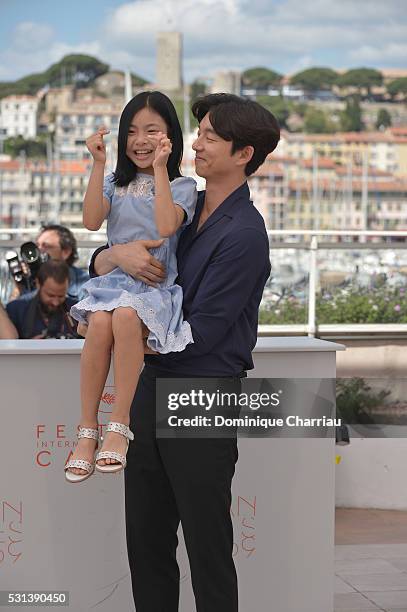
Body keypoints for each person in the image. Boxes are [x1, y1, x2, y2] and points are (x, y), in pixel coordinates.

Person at [90, 93, 280, 611]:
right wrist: (112, 256)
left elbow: (206, 329)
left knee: (206, 544)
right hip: (150, 385)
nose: (196, 142)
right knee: (146, 541)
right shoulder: (183, 204)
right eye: (199, 132)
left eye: (211, 137)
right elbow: (116, 247)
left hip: (203, 391)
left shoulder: (244, 233)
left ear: (244, 153)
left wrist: (124, 323)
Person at [65, 91, 197, 483]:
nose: (140, 140)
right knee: (103, 324)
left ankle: (118, 424)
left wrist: (159, 169)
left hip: (153, 288)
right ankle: (88, 431)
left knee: (124, 316)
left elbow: (166, 226)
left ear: (169, 136)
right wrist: (98, 163)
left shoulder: (182, 185)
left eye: (152, 131)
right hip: (113, 282)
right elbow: (91, 221)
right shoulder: (113, 182)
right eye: (133, 131)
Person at [10, 224, 89, 301]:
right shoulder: (30, 280)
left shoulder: (84, 284)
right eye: (37, 246)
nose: (39, 251)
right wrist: (19, 286)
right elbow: (13, 312)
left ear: (66, 252)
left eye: (46, 246)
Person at [6, 260, 78, 339]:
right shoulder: (16, 310)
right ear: (38, 284)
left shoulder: (77, 310)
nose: (55, 302)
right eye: (51, 295)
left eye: (61, 296)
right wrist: (28, 346)